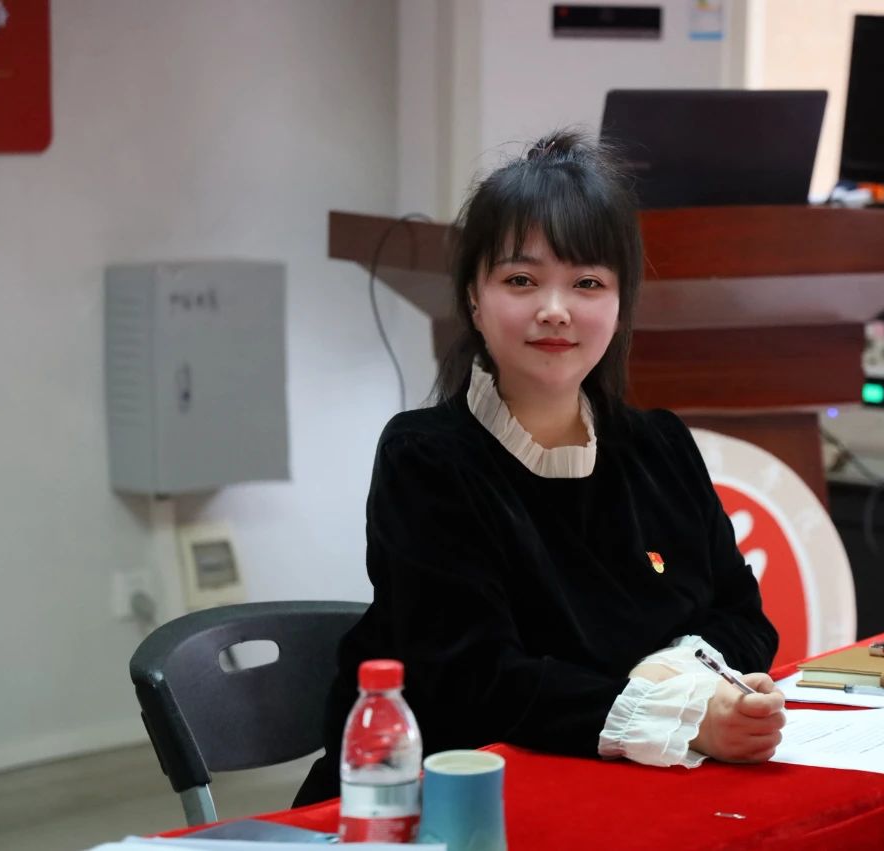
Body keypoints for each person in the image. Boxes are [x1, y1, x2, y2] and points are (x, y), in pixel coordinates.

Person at [295, 130, 783, 805]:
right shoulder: (427, 460)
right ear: (474, 297)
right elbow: (474, 680)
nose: (555, 310)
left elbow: (745, 617)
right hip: (448, 803)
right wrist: (676, 716)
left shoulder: (661, 447)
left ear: (620, 303)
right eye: (521, 280)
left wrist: (684, 686)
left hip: (633, 789)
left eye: (587, 283)